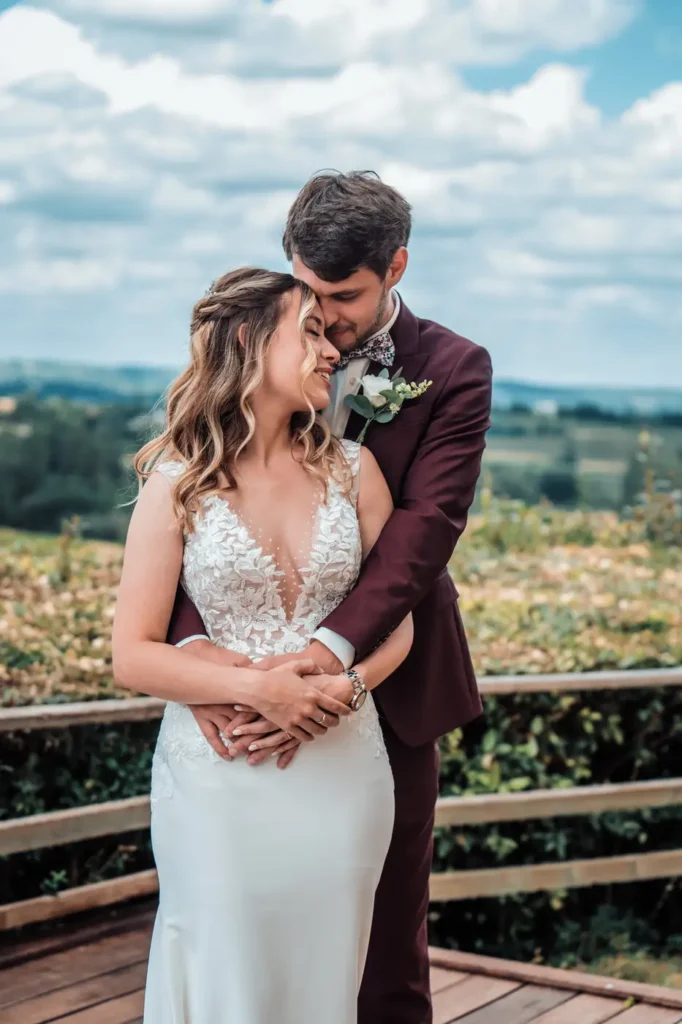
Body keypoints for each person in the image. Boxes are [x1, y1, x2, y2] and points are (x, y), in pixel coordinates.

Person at [168, 172, 493, 1024]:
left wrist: (326, 661)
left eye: (343, 296)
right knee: (245, 923)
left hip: (390, 676)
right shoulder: (256, 342)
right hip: (238, 693)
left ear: (397, 266)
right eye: (306, 291)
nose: (325, 321)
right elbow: (194, 513)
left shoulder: (453, 369)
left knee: (389, 937)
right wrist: (204, 659)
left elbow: (425, 531)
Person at [112, 267, 414, 1024]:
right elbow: (134, 653)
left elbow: (399, 624)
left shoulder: (354, 469)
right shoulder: (178, 483)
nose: (330, 351)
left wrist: (347, 689)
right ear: (250, 341)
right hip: (221, 779)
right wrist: (259, 690)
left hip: (343, 769)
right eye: (309, 331)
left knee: (324, 978)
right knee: (225, 972)